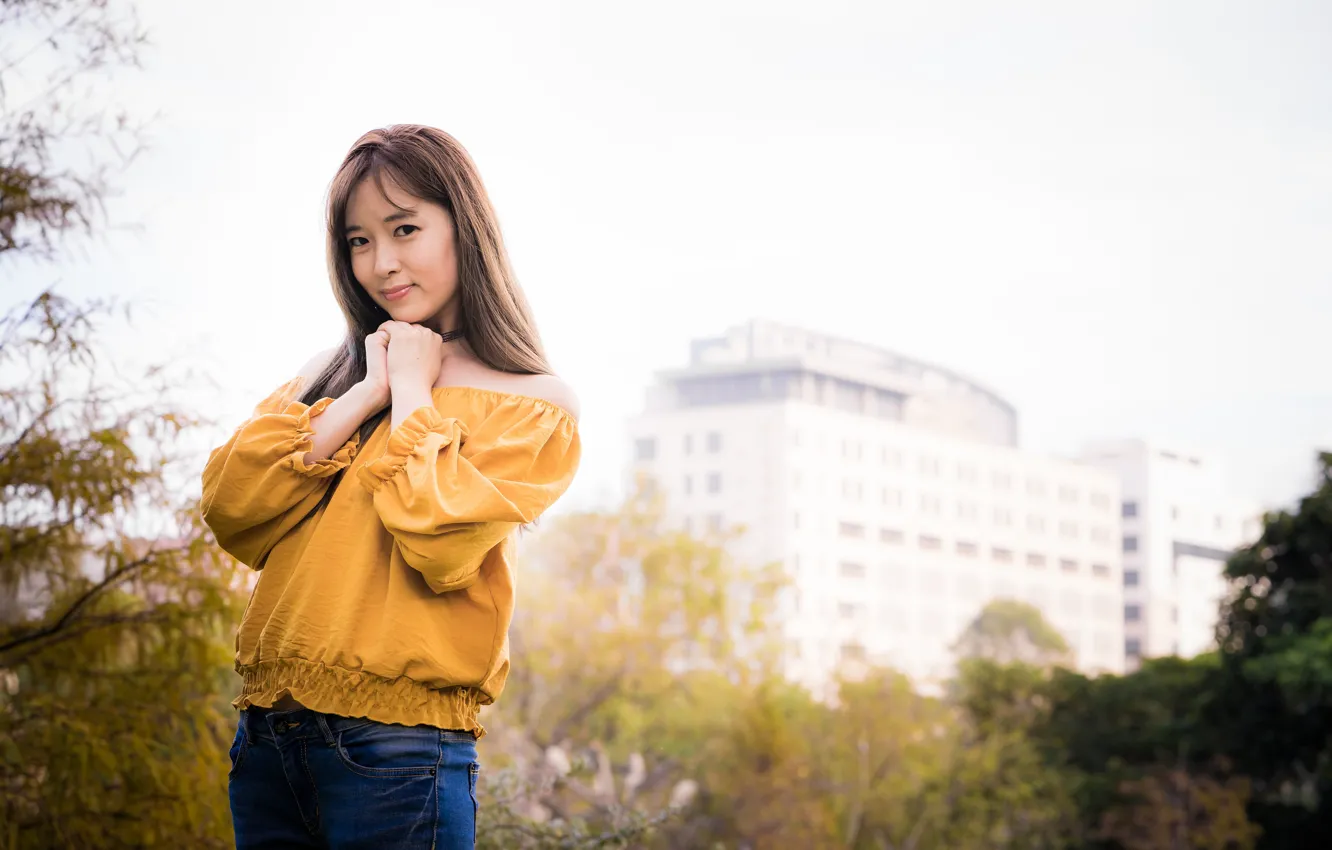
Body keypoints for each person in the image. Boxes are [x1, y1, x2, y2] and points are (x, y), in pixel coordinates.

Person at [201, 124, 581, 849]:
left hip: (396, 749)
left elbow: (436, 538)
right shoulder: (328, 375)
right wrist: (368, 388)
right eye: (359, 240)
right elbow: (233, 509)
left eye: (404, 228)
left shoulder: (533, 401)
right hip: (266, 740)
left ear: (464, 228)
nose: (382, 263)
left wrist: (412, 387)